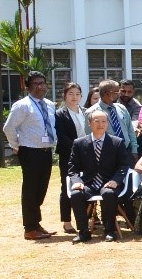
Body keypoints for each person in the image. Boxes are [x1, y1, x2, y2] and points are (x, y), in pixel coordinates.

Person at [66, 111, 136, 243]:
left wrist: (115, 180)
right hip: (89, 182)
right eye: (96, 121)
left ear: (107, 123)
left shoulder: (117, 142)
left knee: (109, 194)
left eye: (104, 121)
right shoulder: (79, 143)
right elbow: (72, 167)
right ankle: (83, 232)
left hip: (108, 182)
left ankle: (109, 230)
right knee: (76, 194)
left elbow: (124, 165)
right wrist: (76, 181)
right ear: (89, 123)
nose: (100, 124)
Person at [5, 72, 59, 240]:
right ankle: (29, 228)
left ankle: (36, 223)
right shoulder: (22, 105)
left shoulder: (50, 105)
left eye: (42, 83)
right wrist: (16, 145)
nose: (40, 86)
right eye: (36, 84)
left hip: (46, 150)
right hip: (29, 150)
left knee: (41, 188)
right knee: (30, 189)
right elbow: (9, 128)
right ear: (28, 87)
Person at [54, 82, 88, 235]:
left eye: (77, 94)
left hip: (87, 155)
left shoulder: (86, 112)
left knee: (86, 184)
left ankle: (87, 218)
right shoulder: (60, 114)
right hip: (68, 155)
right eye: (71, 94)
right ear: (64, 95)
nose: (74, 97)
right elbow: (62, 137)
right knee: (67, 186)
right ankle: (67, 221)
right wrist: (79, 147)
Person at [86, 80, 138, 155]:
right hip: (105, 153)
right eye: (117, 92)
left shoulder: (121, 108)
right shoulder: (92, 112)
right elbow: (89, 136)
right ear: (107, 93)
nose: (119, 94)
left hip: (126, 151)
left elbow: (130, 130)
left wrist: (134, 150)